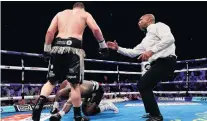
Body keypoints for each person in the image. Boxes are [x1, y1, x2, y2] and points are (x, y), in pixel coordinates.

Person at [32, 2, 109, 121]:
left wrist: (46, 49)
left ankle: (37, 107)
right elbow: (95, 29)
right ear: (82, 8)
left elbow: (50, 32)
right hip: (74, 48)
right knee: (75, 85)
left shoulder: (60, 14)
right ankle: (77, 117)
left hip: (57, 47)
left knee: (51, 81)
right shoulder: (85, 14)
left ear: (73, 7)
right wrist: (103, 46)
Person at [107, 14, 176, 121]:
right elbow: (133, 52)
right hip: (158, 63)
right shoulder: (146, 40)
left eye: (141, 19)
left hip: (166, 61)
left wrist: (151, 51)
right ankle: (152, 112)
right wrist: (118, 48)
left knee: (143, 85)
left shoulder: (159, 26)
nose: (138, 22)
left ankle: (156, 116)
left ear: (149, 19)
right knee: (144, 86)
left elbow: (170, 39)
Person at [49, 80, 119, 121]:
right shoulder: (66, 83)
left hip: (97, 91)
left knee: (88, 112)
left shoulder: (74, 89)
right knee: (84, 110)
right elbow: (58, 93)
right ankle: (97, 104)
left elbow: (69, 102)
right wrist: (55, 106)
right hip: (88, 91)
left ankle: (108, 105)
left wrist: (59, 115)